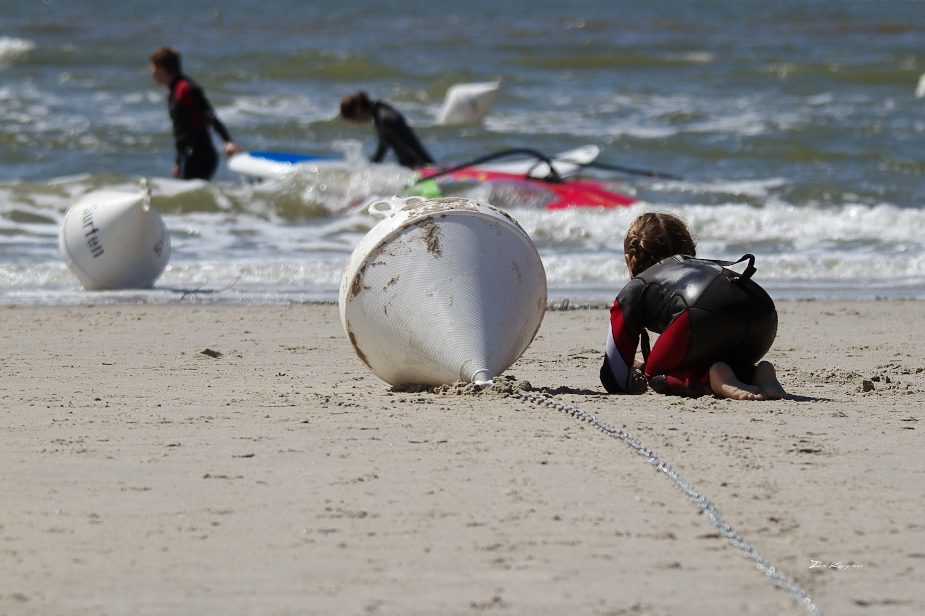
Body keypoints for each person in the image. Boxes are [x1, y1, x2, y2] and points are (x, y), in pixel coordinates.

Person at [600, 212, 787, 400]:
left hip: (700, 315)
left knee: (655, 375)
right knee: (719, 362)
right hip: (763, 314)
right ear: (692, 249)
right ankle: (755, 375)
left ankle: (710, 380)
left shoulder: (636, 287)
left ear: (628, 259)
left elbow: (614, 377)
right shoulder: (703, 268)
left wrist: (640, 368)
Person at [149, 47, 240, 180]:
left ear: (161, 68)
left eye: (152, 68)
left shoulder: (185, 89)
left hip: (200, 156)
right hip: (189, 155)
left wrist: (227, 141)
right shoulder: (173, 90)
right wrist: (178, 162)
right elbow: (181, 132)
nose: (151, 72)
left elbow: (209, 114)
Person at [339, 91, 434, 169]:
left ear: (357, 111)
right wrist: (369, 168)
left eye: (354, 121)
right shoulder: (380, 114)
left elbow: (409, 146)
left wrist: (424, 167)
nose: (358, 125)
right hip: (412, 167)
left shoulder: (385, 118)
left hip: (420, 167)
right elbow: (383, 146)